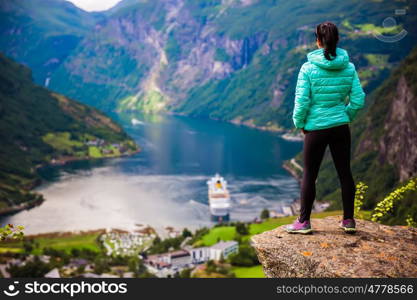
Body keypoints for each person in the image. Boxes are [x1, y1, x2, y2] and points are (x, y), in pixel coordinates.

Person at [285, 21, 365, 234]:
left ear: (318, 41)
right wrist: (344, 115)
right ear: (337, 40)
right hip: (340, 127)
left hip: (316, 129)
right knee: (345, 173)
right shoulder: (348, 67)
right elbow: (358, 99)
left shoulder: (308, 68)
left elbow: (301, 101)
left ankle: (303, 223)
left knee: (310, 174)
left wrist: (300, 124)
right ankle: (348, 220)